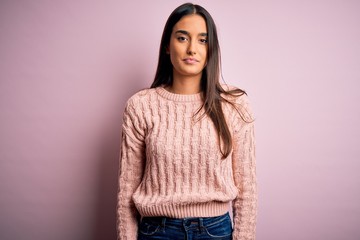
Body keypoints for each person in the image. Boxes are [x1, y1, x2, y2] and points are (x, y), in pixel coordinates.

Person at [117, 3, 257, 240]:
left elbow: (247, 188)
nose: (192, 48)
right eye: (182, 38)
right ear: (167, 47)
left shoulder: (235, 104)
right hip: (156, 231)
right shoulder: (140, 106)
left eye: (203, 40)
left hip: (216, 231)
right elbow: (127, 189)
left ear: (212, 49)